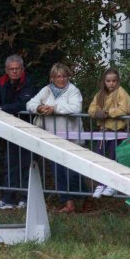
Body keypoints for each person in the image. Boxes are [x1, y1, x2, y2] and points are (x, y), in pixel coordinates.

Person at [26, 63, 91, 213]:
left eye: (64, 76)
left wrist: (54, 108)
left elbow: (76, 108)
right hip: (52, 138)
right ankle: (68, 204)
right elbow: (30, 103)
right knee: (58, 172)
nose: (61, 79)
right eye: (57, 76)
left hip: (72, 138)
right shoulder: (46, 90)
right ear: (52, 78)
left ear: (68, 77)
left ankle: (87, 196)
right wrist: (39, 108)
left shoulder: (73, 90)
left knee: (72, 171)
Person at [0, 55, 36, 210]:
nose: (15, 71)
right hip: (6, 130)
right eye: (12, 69)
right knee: (9, 163)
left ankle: (25, 198)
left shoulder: (28, 82)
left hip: (25, 127)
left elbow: (25, 104)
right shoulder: (0, 83)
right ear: (6, 70)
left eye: (17, 69)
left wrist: (3, 109)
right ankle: (8, 198)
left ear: (22, 69)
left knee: (25, 164)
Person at [88, 67, 130, 198]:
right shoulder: (99, 94)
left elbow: (124, 109)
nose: (111, 83)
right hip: (103, 131)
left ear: (118, 81)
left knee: (114, 158)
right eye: (108, 81)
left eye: (114, 81)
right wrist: (96, 113)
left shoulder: (121, 92)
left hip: (117, 131)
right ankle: (101, 183)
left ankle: (113, 184)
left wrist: (108, 113)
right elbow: (91, 108)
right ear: (104, 81)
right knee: (99, 158)